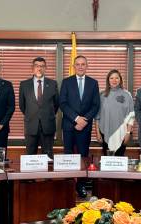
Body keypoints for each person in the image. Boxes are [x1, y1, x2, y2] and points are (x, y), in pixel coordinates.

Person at [59, 55, 100, 197]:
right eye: (78, 64)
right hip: (69, 126)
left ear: (86, 66)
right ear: (74, 66)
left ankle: (81, 187)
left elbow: (96, 105)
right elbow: (62, 103)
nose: (81, 66)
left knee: (83, 156)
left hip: (85, 127)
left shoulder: (93, 83)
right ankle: (68, 185)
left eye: (83, 64)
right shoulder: (66, 82)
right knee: (68, 156)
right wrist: (76, 119)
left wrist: (85, 120)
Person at [19, 57, 59, 159]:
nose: (39, 68)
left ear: (45, 68)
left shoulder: (53, 84)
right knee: (30, 157)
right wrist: (33, 115)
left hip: (48, 126)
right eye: (37, 66)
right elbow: (22, 105)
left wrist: (46, 115)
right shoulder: (24, 84)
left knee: (48, 157)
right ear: (32, 68)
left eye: (42, 66)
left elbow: (56, 104)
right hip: (31, 126)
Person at [95, 69, 134, 156]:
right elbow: (97, 116)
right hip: (105, 132)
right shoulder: (102, 95)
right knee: (107, 161)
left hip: (122, 133)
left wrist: (128, 133)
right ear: (108, 81)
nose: (114, 80)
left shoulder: (127, 95)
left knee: (119, 161)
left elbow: (131, 116)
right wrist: (97, 132)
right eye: (111, 78)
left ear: (120, 80)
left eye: (117, 78)